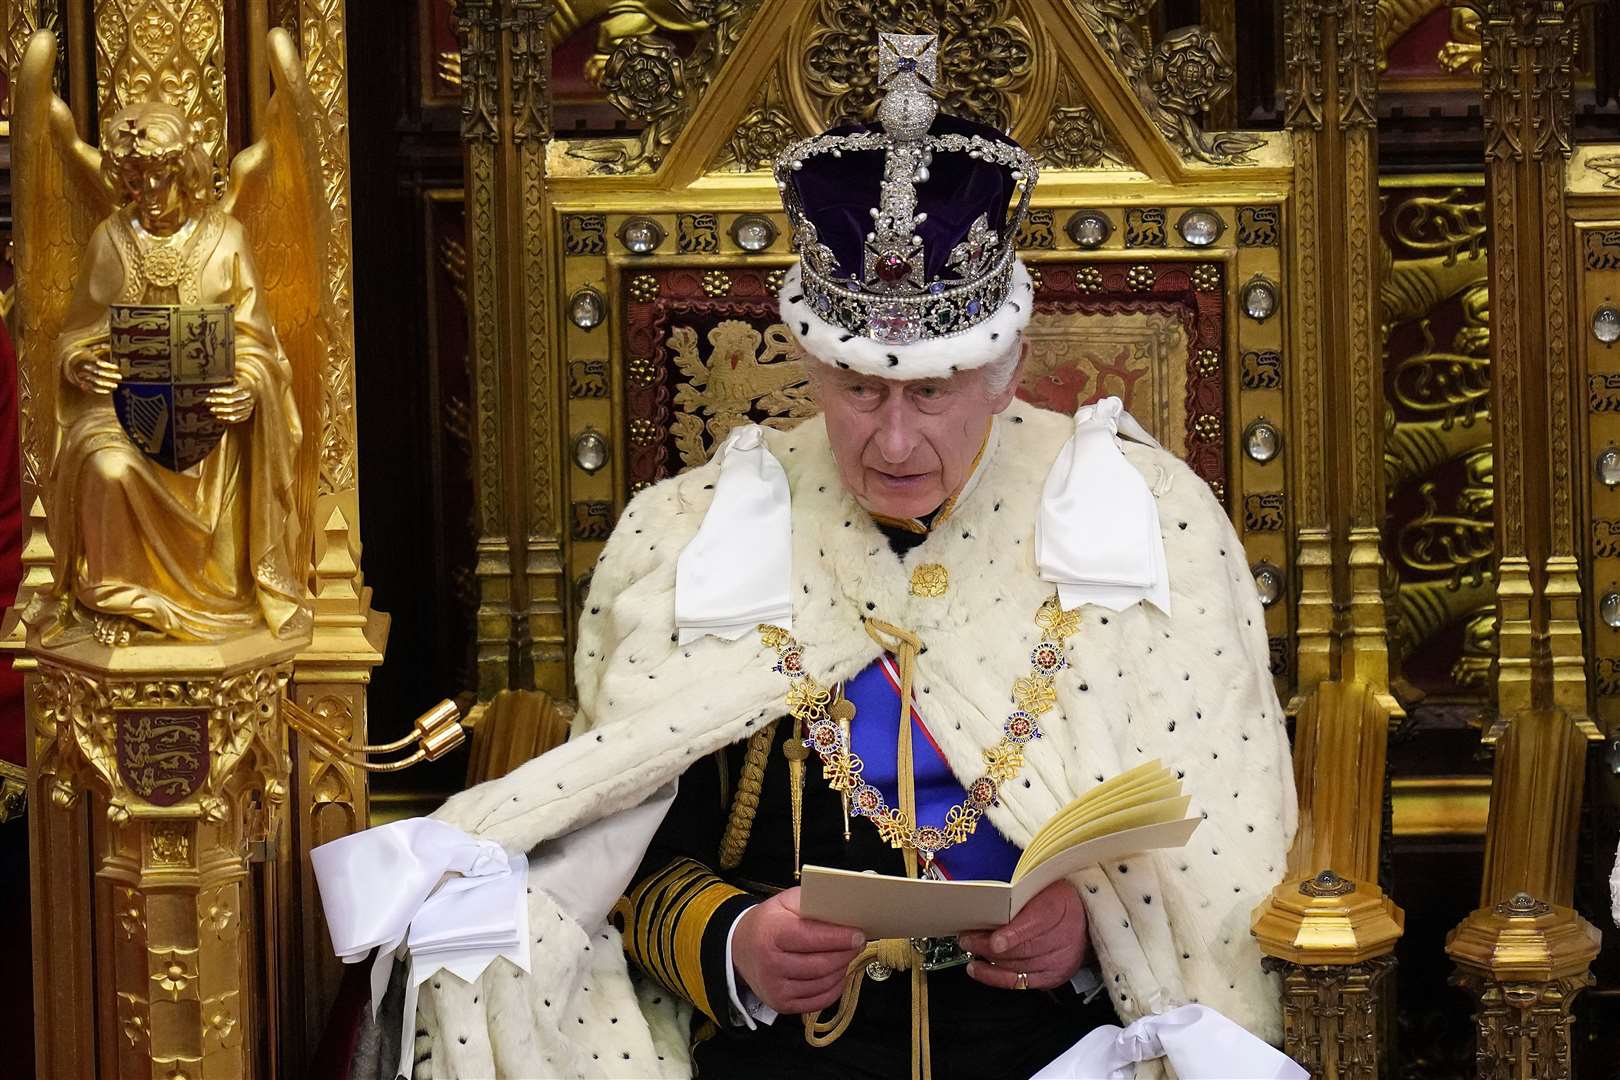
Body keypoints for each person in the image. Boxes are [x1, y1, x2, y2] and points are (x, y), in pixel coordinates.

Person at [317, 33, 1296, 1080]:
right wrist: (734, 945)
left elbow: (1211, 894)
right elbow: (611, 870)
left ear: (1007, 371)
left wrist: (1092, 942)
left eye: (932, 393)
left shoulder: (1143, 518)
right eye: (860, 391)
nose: (894, 440)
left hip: (1053, 1047)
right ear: (811, 362)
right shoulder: (695, 532)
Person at [40, 101, 307, 646]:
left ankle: (225, 592)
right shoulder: (109, 242)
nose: (152, 197)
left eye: (162, 179)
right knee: (104, 465)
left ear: (186, 173)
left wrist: (249, 388)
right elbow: (74, 335)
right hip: (123, 416)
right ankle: (119, 601)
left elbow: (259, 344)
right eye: (137, 183)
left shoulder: (226, 238)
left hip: (209, 421)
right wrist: (81, 363)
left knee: (225, 448)